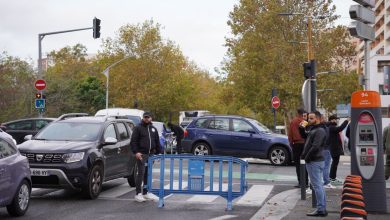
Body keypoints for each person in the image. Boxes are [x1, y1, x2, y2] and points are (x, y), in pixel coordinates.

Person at [130, 112, 162, 202]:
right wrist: (136, 152)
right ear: (143, 118)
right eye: (145, 117)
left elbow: (157, 142)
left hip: (151, 155)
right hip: (142, 155)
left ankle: (146, 192)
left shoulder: (153, 129)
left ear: (151, 118)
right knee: (141, 173)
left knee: (148, 174)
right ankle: (138, 193)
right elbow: (133, 141)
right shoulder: (138, 128)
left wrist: (159, 153)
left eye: (148, 117)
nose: (147, 119)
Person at [301, 111, 328, 217]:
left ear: (318, 119)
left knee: (317, 186)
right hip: (316, 160)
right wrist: (302, 128)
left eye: (311, 118)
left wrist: (306, 158)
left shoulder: (320, 130)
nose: (309, 120)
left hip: (314, 161)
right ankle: (322, 208)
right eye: (309, 118)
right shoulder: (315, 129)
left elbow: (315, 146)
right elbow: (307, 138)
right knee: (319, 185)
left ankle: (321, 209)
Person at [288, 108, 308, 188]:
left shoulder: (294, 121)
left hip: (296, 144)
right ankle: (306, 182)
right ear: (303, 113)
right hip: (305, 144)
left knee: (298, 164)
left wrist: (291, 143)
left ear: (297, 113)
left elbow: (290, 134)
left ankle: (301, 182)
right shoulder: (304, 122)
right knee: (304, 164)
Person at [328, 115, 349, 185]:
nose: (336, 120)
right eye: (335, 119)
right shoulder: (331, 127)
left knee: (335, 163)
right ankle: (332, 178)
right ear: (331, 120)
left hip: (335, 148)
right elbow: (340, 128)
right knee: (334, 164)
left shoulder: (332, 127)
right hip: (334, 148)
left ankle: (333, 177)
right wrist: (346, 121)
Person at [382, 106, 390, 180]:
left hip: (389, 150)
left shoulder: (387, 128)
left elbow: (383, 140)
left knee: (388, 163)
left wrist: (383, 149)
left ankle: (386, 175)